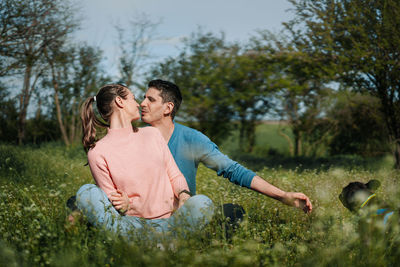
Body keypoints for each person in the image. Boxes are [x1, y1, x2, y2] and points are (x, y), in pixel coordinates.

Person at [140, 79, 313, 214]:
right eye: (143, 98)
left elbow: (233, 170)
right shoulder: (135, 138)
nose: (142, 103)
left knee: (232, 212)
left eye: (150, 99)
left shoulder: (191, 139)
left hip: (181, 216)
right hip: (143, 215)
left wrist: (282, 196)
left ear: (168, 108)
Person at [75, 83, 214, 237]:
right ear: (120, 102)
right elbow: (110, 199)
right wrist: (124, 204)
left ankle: (156, 243)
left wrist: (184, 195)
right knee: (86, 192)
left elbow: (175, 175)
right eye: (133, 99)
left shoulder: (152, 134)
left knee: (203, 203)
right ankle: (158, 244)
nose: (139, 104)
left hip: (171, 222)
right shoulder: (97, 152)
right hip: (130, 225)